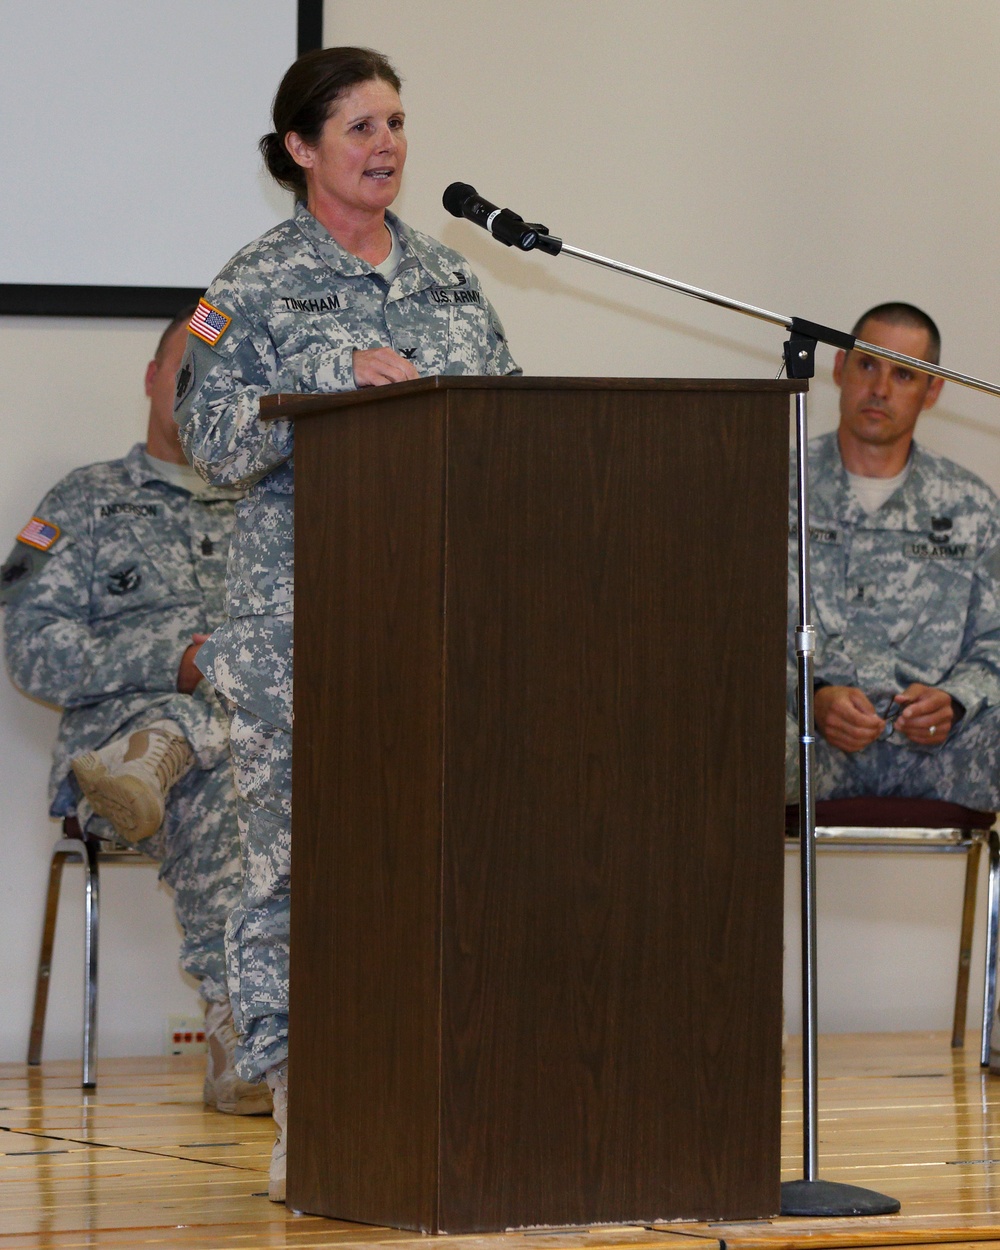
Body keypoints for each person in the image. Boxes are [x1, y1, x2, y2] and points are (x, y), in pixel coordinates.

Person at [175, 46, 520, 1201]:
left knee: (442, 859)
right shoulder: (258, 279)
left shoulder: (451, 278)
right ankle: (305, 1105)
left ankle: (442, 1092)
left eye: (397, 122)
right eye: (361, 126)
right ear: (301, 151)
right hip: (301, 624)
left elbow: (506, 421)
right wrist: (329, 388)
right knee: (293, 866)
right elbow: (207, 433)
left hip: (443, 613)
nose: (387, 145)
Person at [2, 308, 270, 1116]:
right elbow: (29, 652)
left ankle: (170, 748)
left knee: (227, 748)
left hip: (259, 752)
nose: (197, 390)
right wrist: (171, 659)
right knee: (221, 780)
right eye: (184, 370)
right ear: (152, 379)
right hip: (108, 775)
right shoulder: (83, 501)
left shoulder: (278, 507)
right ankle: (246, 1041)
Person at [786, 301, 1000, 812]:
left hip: (943, 755)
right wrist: (812, 695)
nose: (880, 389)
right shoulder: (775, 483)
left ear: (933, 391)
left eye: (904, 374)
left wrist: (956, 700)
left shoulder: (971, 505)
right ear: (838, 369)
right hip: (807, 747)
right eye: (867, 365)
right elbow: (728, 634)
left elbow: (996, 638)